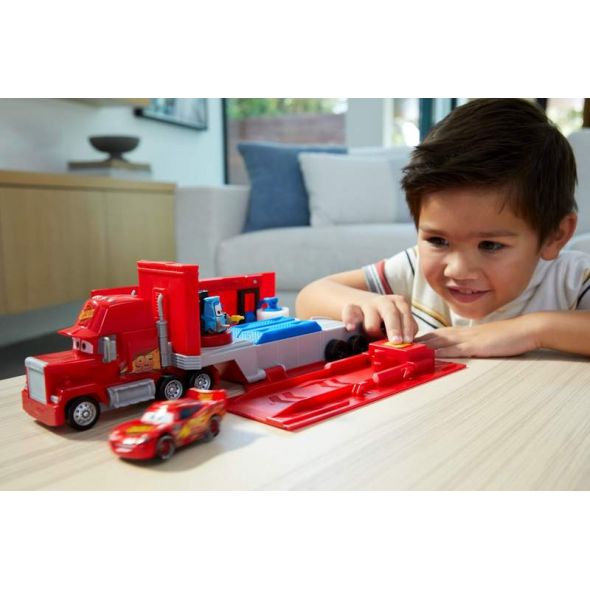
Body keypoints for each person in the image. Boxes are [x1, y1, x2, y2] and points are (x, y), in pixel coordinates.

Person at [296, 98, 590, 358]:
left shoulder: (572, 280)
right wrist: (368, 302)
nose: (458, 271)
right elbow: (309, 297)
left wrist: (533, 330)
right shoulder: (414, 269)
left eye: (490, 245)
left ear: (555, 236)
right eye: (438, 240)